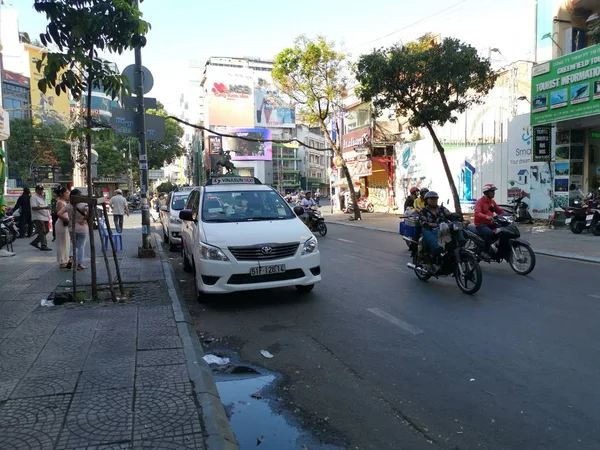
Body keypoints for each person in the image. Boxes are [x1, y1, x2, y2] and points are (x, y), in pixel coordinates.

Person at [59, 189, 89, 270]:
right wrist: (84, 219)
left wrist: (68, 220)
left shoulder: (68, 205)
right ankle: (79, 264)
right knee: (81, 246)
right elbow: (90, 211)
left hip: (72, 228)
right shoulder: (83, 204)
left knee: (74, 245)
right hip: (82, 228)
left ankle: (71, 258)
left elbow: (59, 214)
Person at [418, 191, 454, 256]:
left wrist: (457, 217)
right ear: (426, 200)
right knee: (437, 247)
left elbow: (450, 215)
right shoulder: (423, 211)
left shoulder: (441, 209)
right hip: (429, 230)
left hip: (443, 229)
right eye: (431, 199)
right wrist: (432, 225)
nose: (434, 200)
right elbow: (423, 223)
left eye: (435, 199)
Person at [474, 183, 505, 260]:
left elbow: (499, 210)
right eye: (492, 191)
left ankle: (497, 247)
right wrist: (486, 217)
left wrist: (508, 215)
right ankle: (485, 252)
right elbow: (477, 213)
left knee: (503, 230)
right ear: (487, 192)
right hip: (481, 224)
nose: (494, 193)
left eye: (494, 191)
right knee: (489, 233)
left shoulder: (492, 202)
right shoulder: (479, 202)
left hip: (490, 223)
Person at [54, 186, 72, 269]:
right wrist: (68, 220)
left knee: (66, 242)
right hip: (62, 224)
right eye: (66, 193)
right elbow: (60, 214)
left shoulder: (64, 202)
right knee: (62, 242)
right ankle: (62, 260)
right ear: (62, 194)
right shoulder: (60, 202)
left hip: (65, 223)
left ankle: (65, 259)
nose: (68, 194)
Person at [30, 185, 52, 251]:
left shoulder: (42, 197)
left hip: (45, 216)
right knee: (42, 231)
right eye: (39, 190)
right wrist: (44, 207)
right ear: (36, 190)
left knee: (46, 230)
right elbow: (33, 207)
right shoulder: (33, 197)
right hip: (38, 217)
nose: (41, 191)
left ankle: (35, 242)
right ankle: (44, 246)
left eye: (42, 190)